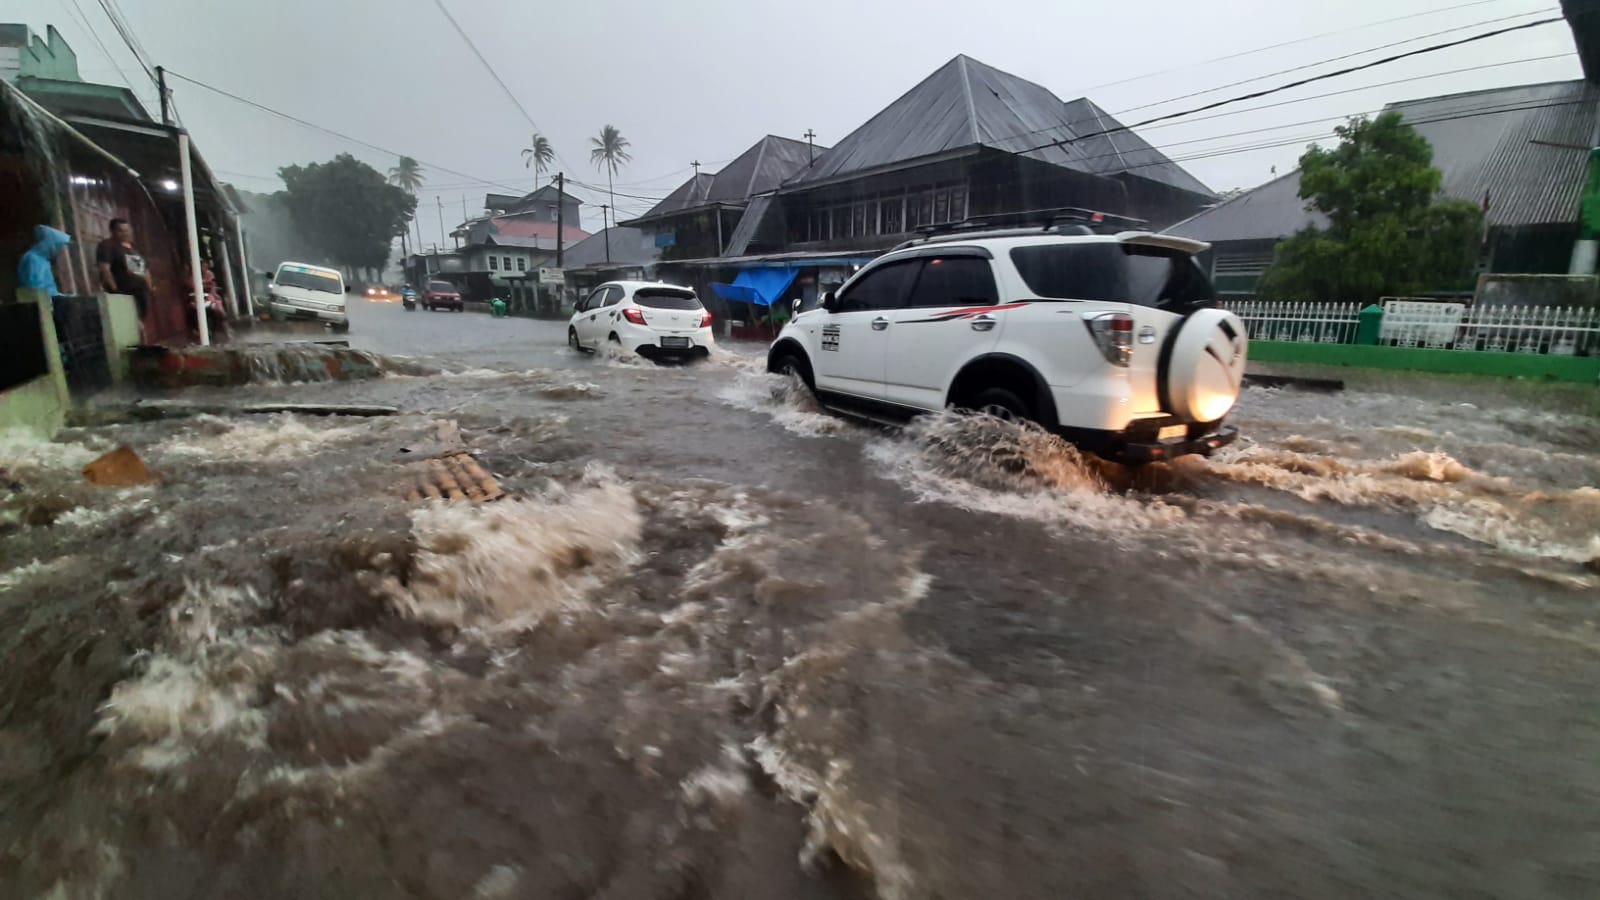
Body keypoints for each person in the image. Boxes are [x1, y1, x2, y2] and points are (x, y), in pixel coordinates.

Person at [96, 218, 150, 320]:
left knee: (140, 321)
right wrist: (115, 290)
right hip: (123, 292)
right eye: (121, 230)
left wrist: (149, 286)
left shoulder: (133, 248)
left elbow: (145, 269)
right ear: (113, 231)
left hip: (140, 291)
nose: (125, 233)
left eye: (127, 230)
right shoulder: (107, 246)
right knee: (128, 320)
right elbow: (105, 269)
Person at [17, 225, 72, 297]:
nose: (59, 250)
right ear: (50, 244)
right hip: (41, 303)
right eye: (57, 246)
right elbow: (37, 289)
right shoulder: (33, 259)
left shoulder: (41, 259)